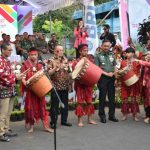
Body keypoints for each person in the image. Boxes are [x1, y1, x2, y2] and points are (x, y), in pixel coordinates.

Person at [72, 44, 114, 127]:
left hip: (89, 84)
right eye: (84, 50)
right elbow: (74, 75)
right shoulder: (76, 62)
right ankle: (80, 121)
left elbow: (96, 69)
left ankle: (90, 119)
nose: (86, 52)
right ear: (80, 51)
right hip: (80, 85)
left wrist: (106, 73)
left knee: (89, 102)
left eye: (87, 50)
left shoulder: (90, 60)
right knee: (80, 103)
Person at [21, 47, 53, 133]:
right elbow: (22, 78)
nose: (33, 56)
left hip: (39, 90)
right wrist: (26, 83)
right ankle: (31, 126)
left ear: (37, 55)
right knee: (30, 108)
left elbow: (44, 76)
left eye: (35, 54)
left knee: (42, 107)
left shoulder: (40, 65)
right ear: (29, 55)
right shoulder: (24, 65)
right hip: (30, 91)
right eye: (32, 55)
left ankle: (45, 126)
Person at [0, 43, 24, 142]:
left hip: (10, 89)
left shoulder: (7, 61)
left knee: (8, 112)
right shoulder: (0, 61)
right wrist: (15, 77)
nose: (11, 52)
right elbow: (1, 75)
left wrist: (16, 74)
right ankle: (1, 133)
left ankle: (6, 129)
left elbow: (8, 74)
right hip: (4, 90)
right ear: (3, 50)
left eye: (11, 50)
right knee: (3, 113)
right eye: (9, 50)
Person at [47, 45, 72, 129]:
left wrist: (70, 81)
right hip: (55, 86)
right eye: (58, 50)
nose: (60, 52)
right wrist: (55, 68)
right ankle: (53, 122)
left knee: (65, 104)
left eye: (61, 50)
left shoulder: (65, 59)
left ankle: (64, 120)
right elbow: (48, 73)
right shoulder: (51, 60)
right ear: (55, 51)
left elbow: (68, 71)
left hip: (65, 85)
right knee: (54, 106)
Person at [95, 40, 119, 123]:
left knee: (112, 98)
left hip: (112, 78)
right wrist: (106, 74)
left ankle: (112, 115)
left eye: (108, 46)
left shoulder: (112, 54)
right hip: (103, 79)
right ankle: (102, 116)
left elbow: (115, 66)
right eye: (105, 46)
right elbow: (97, 68)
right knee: (102, 98)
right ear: (102, 46)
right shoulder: (98, 55)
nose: (106, 48)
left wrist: (115, 76)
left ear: (110, 47)